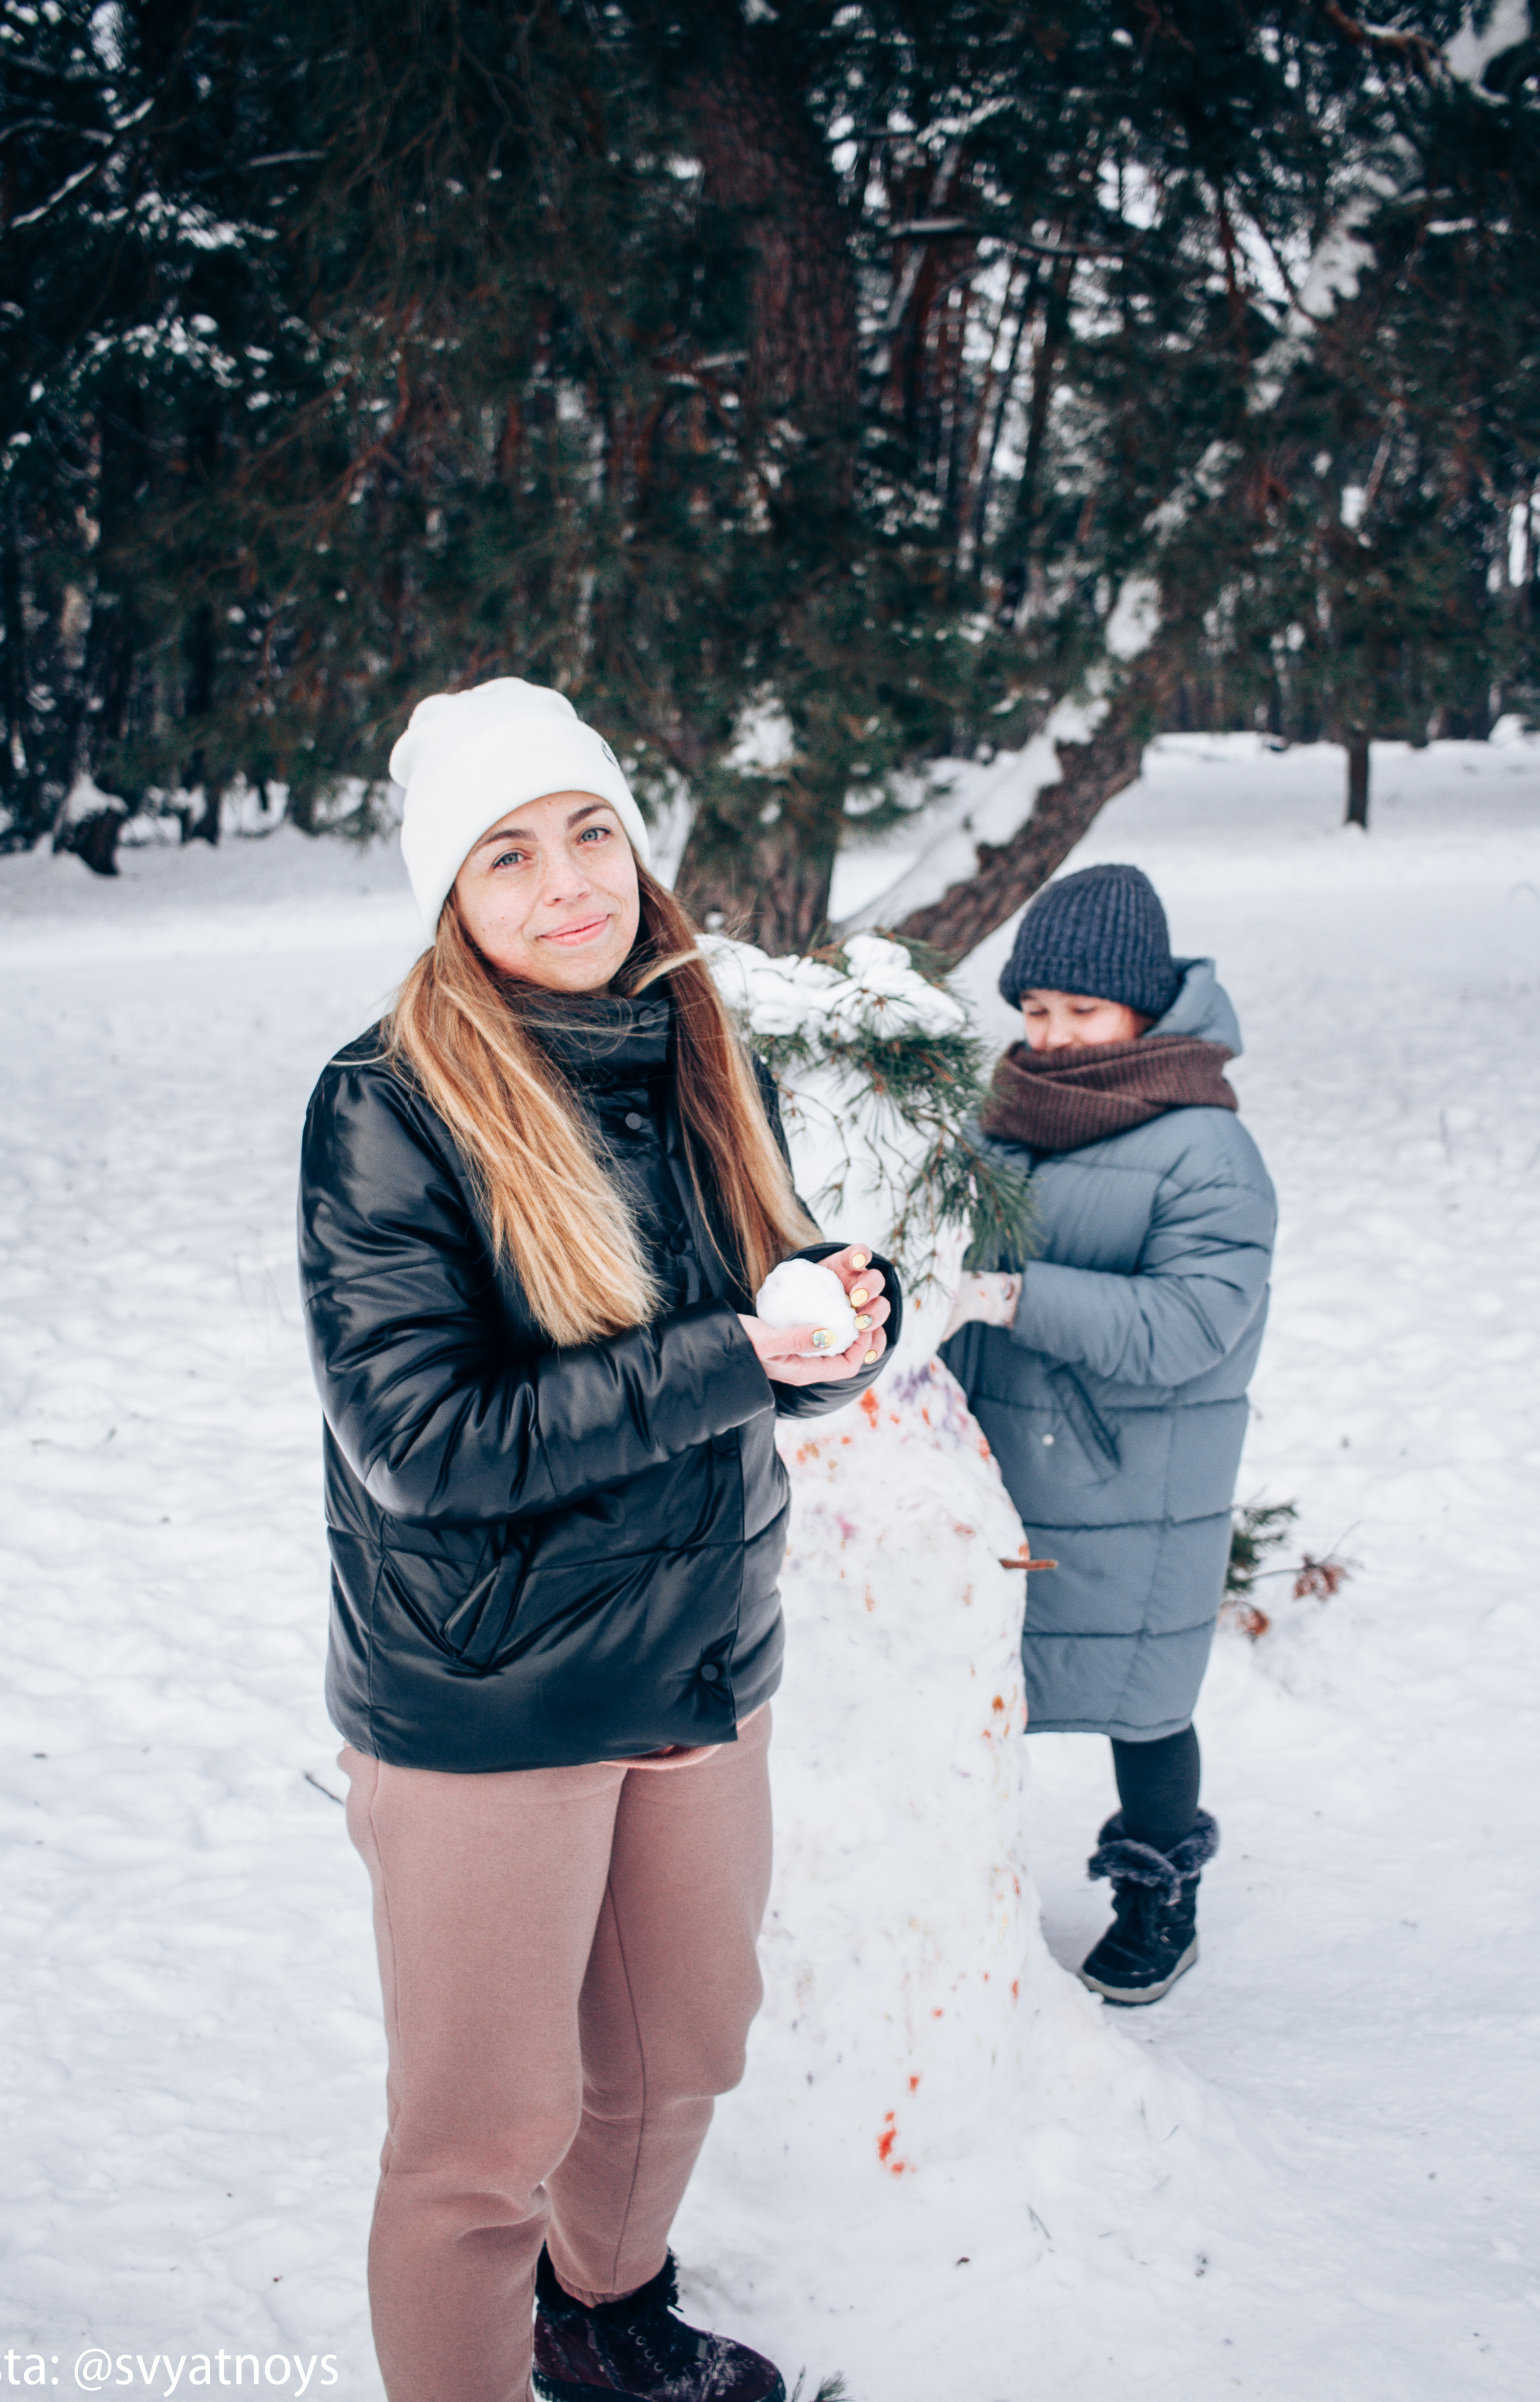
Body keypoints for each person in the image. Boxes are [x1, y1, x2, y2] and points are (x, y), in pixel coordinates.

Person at [297, 677, 899, 2402]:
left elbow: (754, 1328)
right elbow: (425, 1444)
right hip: (490, 1693)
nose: (569, 883)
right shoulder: (389, 1106)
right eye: (507, 856)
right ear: (450, 900)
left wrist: (834, 1320)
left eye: (590, 831)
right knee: (482, 2142)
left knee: (677, 2053)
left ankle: (604, 2314)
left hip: (702, 1655)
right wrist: (733, 1356)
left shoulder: (701, 1041)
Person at [942, 863, 1275, 2006]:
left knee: (1144, 1704)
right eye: (1036, 1013)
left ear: (1144, 1009)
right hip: (999, 1465)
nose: (1057, 1038)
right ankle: (962, 1884)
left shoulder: (1206, 1152)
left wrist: (1010, 1295)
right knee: (979, 1686)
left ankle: (1158, 1894)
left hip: (1131, 1478)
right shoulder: (1007, 1126)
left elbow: (1191, 1325)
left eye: (1083, 1013)